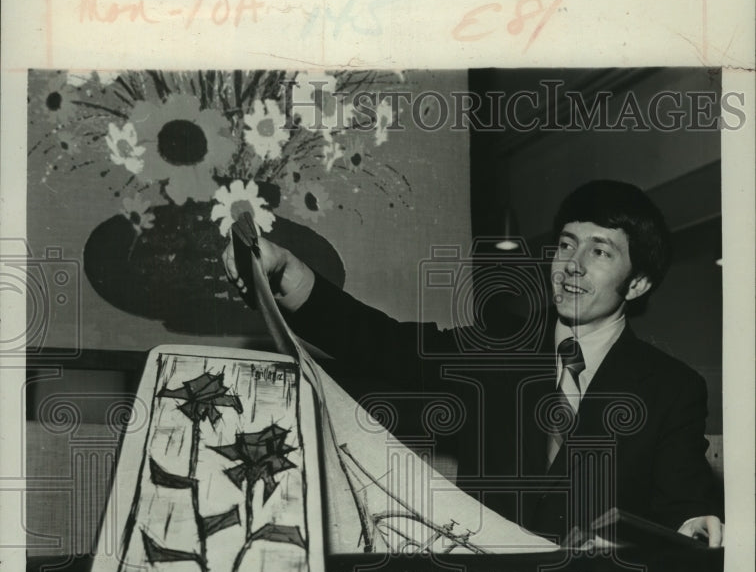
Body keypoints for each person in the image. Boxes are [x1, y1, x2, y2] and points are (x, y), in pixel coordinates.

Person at [225, 179, 723, 547]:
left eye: (600, 252)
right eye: (567, 245)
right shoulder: (497, 350)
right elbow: (383, 344)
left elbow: (684, 512)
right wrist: (286, 271)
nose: (573, 265)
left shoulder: (672, 389)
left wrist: (696, 526)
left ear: (637, 284)